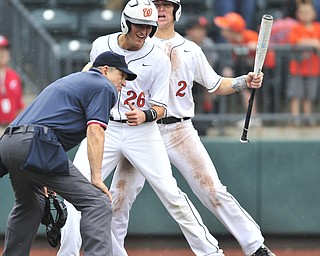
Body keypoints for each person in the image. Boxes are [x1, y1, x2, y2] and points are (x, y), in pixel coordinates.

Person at [58, 1, 226, 256]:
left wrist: (146, 114)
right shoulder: (102, 45)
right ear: (125, 22)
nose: (144, 31)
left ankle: (212, 253)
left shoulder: (158, 57)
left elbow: (161, 108)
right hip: (107, 127)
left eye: (148, 26)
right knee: (75, 193)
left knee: (171, 194)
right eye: (139, 24)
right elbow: (90, 80)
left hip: (143, 132)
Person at [109, 1, 276, 256]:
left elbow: (216, 84)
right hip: (141, 131)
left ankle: (255, 246)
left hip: (179, 130)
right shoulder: (136, 45)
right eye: (156, 5)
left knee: (212, 189)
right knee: (119, 196)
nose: (161, 9)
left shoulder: (190, 49)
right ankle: (113, 252)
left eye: (166, 5)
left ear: (177, 11)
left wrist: (245, 81)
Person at [0, 50, 135, 255]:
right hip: (36, 145)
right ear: (105, 70)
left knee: (30, 204)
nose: (124, 82)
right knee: (97, 203)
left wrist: (41, 173)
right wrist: (96, 178)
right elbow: (95, 130)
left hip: (9, 142)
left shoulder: (71, 81)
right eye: (122, 76)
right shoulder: (103, 85)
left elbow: (49, 122)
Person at [213, 12, 263, 127]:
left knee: (247, 90)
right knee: (243, 87)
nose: (222, 30)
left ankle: (254, 118)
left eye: (225, 28)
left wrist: (254, 46)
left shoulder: (249, 36)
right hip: (248, 68)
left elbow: (263, 50)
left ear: (233, 30)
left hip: (266, 69)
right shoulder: (232, 40)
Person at [286, 2, 320, 126]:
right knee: (296, 94)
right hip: (297, 69)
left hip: (314, 69)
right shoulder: (296, 27)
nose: (305, 15)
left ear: (314, 14)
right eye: (302, 12)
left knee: (310, 95)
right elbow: (294, 41)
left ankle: (308, 117)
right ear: (297, 14)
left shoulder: (318, 27)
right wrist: (312, 42)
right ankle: (295, 118)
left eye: (308, 12)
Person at [185, 15, 219, 115]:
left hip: (202, 75)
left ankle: (208, 113)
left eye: (203, 29)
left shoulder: (208, 43)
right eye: (197, 29)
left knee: (209, 82)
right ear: (188, 31)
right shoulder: (182, 42)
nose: (201, 32)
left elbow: (210, 65)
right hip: (185, 76)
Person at [0, 35, 24, 127]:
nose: (3, 53)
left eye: (5, 49)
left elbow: (19, 105)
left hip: (11, 129)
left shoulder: (14, 76)